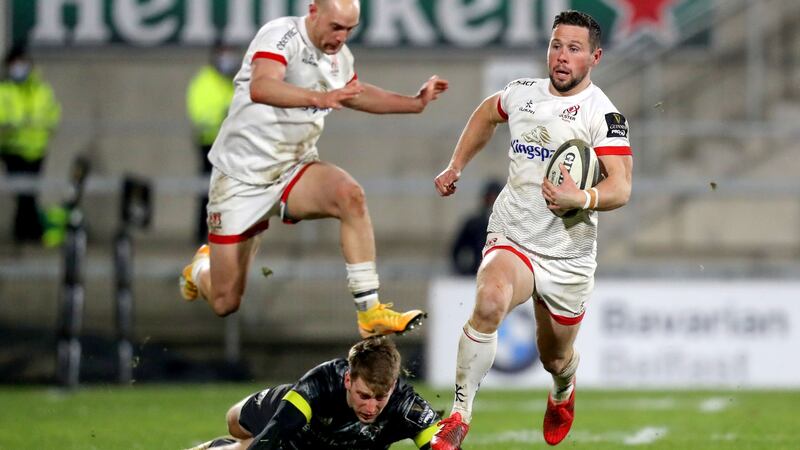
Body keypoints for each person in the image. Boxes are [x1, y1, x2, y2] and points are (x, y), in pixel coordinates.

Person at [179, 0, 448, 338]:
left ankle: (370, 312)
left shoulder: (339, 57)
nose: (341, 37)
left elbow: (356, 94)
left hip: (294, 167)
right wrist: (320, 98)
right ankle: (200, 267)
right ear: (313, 11)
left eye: (349, 30)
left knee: (350, 195)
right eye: (336, 27)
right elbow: (261, 86)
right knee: (225, 301)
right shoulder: (280, 35)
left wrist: (415, 103)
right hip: (239, 180)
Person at [430, 10, 632, 448]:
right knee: (488, 301)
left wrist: (581, 198)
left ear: (594, 57)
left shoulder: (603, 114)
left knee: (554, 356)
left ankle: (564, 387)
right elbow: (487, 114)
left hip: (568, 252)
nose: (561, 57)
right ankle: (459, 416)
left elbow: (621, 186)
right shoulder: (522, 93)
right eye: (556, 45)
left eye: (574, 49)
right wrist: (456, 165)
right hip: (514, 233)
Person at [188, 337, 441, 450]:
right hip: (293, 427)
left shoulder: (407, 407)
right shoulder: (321, 382)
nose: (372, 407)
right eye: (364, 396)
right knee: (234, 424)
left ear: (394, 385)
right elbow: (275, 433)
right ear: (348, 380)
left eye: (380, 398)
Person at [0, 45, 61, 243]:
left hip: (37, 149)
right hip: (12, 149)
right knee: (23, 195)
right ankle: (30, 232)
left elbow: (53, 114)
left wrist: (45, 127)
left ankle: (27, 232)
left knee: (30, 194)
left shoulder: (41, 90)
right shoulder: (4, 90)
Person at [186, 43, 238, 243]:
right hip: (209, 142)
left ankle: (226, 232)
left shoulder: (230, 81)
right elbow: (199, 114)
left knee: (230, 191)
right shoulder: (203, 82)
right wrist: (222, 116)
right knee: (208, 190)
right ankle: (202, 234)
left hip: (231, 144)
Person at [449, 179, 502, 275]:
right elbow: (456, 250)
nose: (492, 202)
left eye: (495, 198)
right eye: (489, 198)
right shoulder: (473, 224)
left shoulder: (510, 226)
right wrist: (464, 271)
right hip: (475, 275)